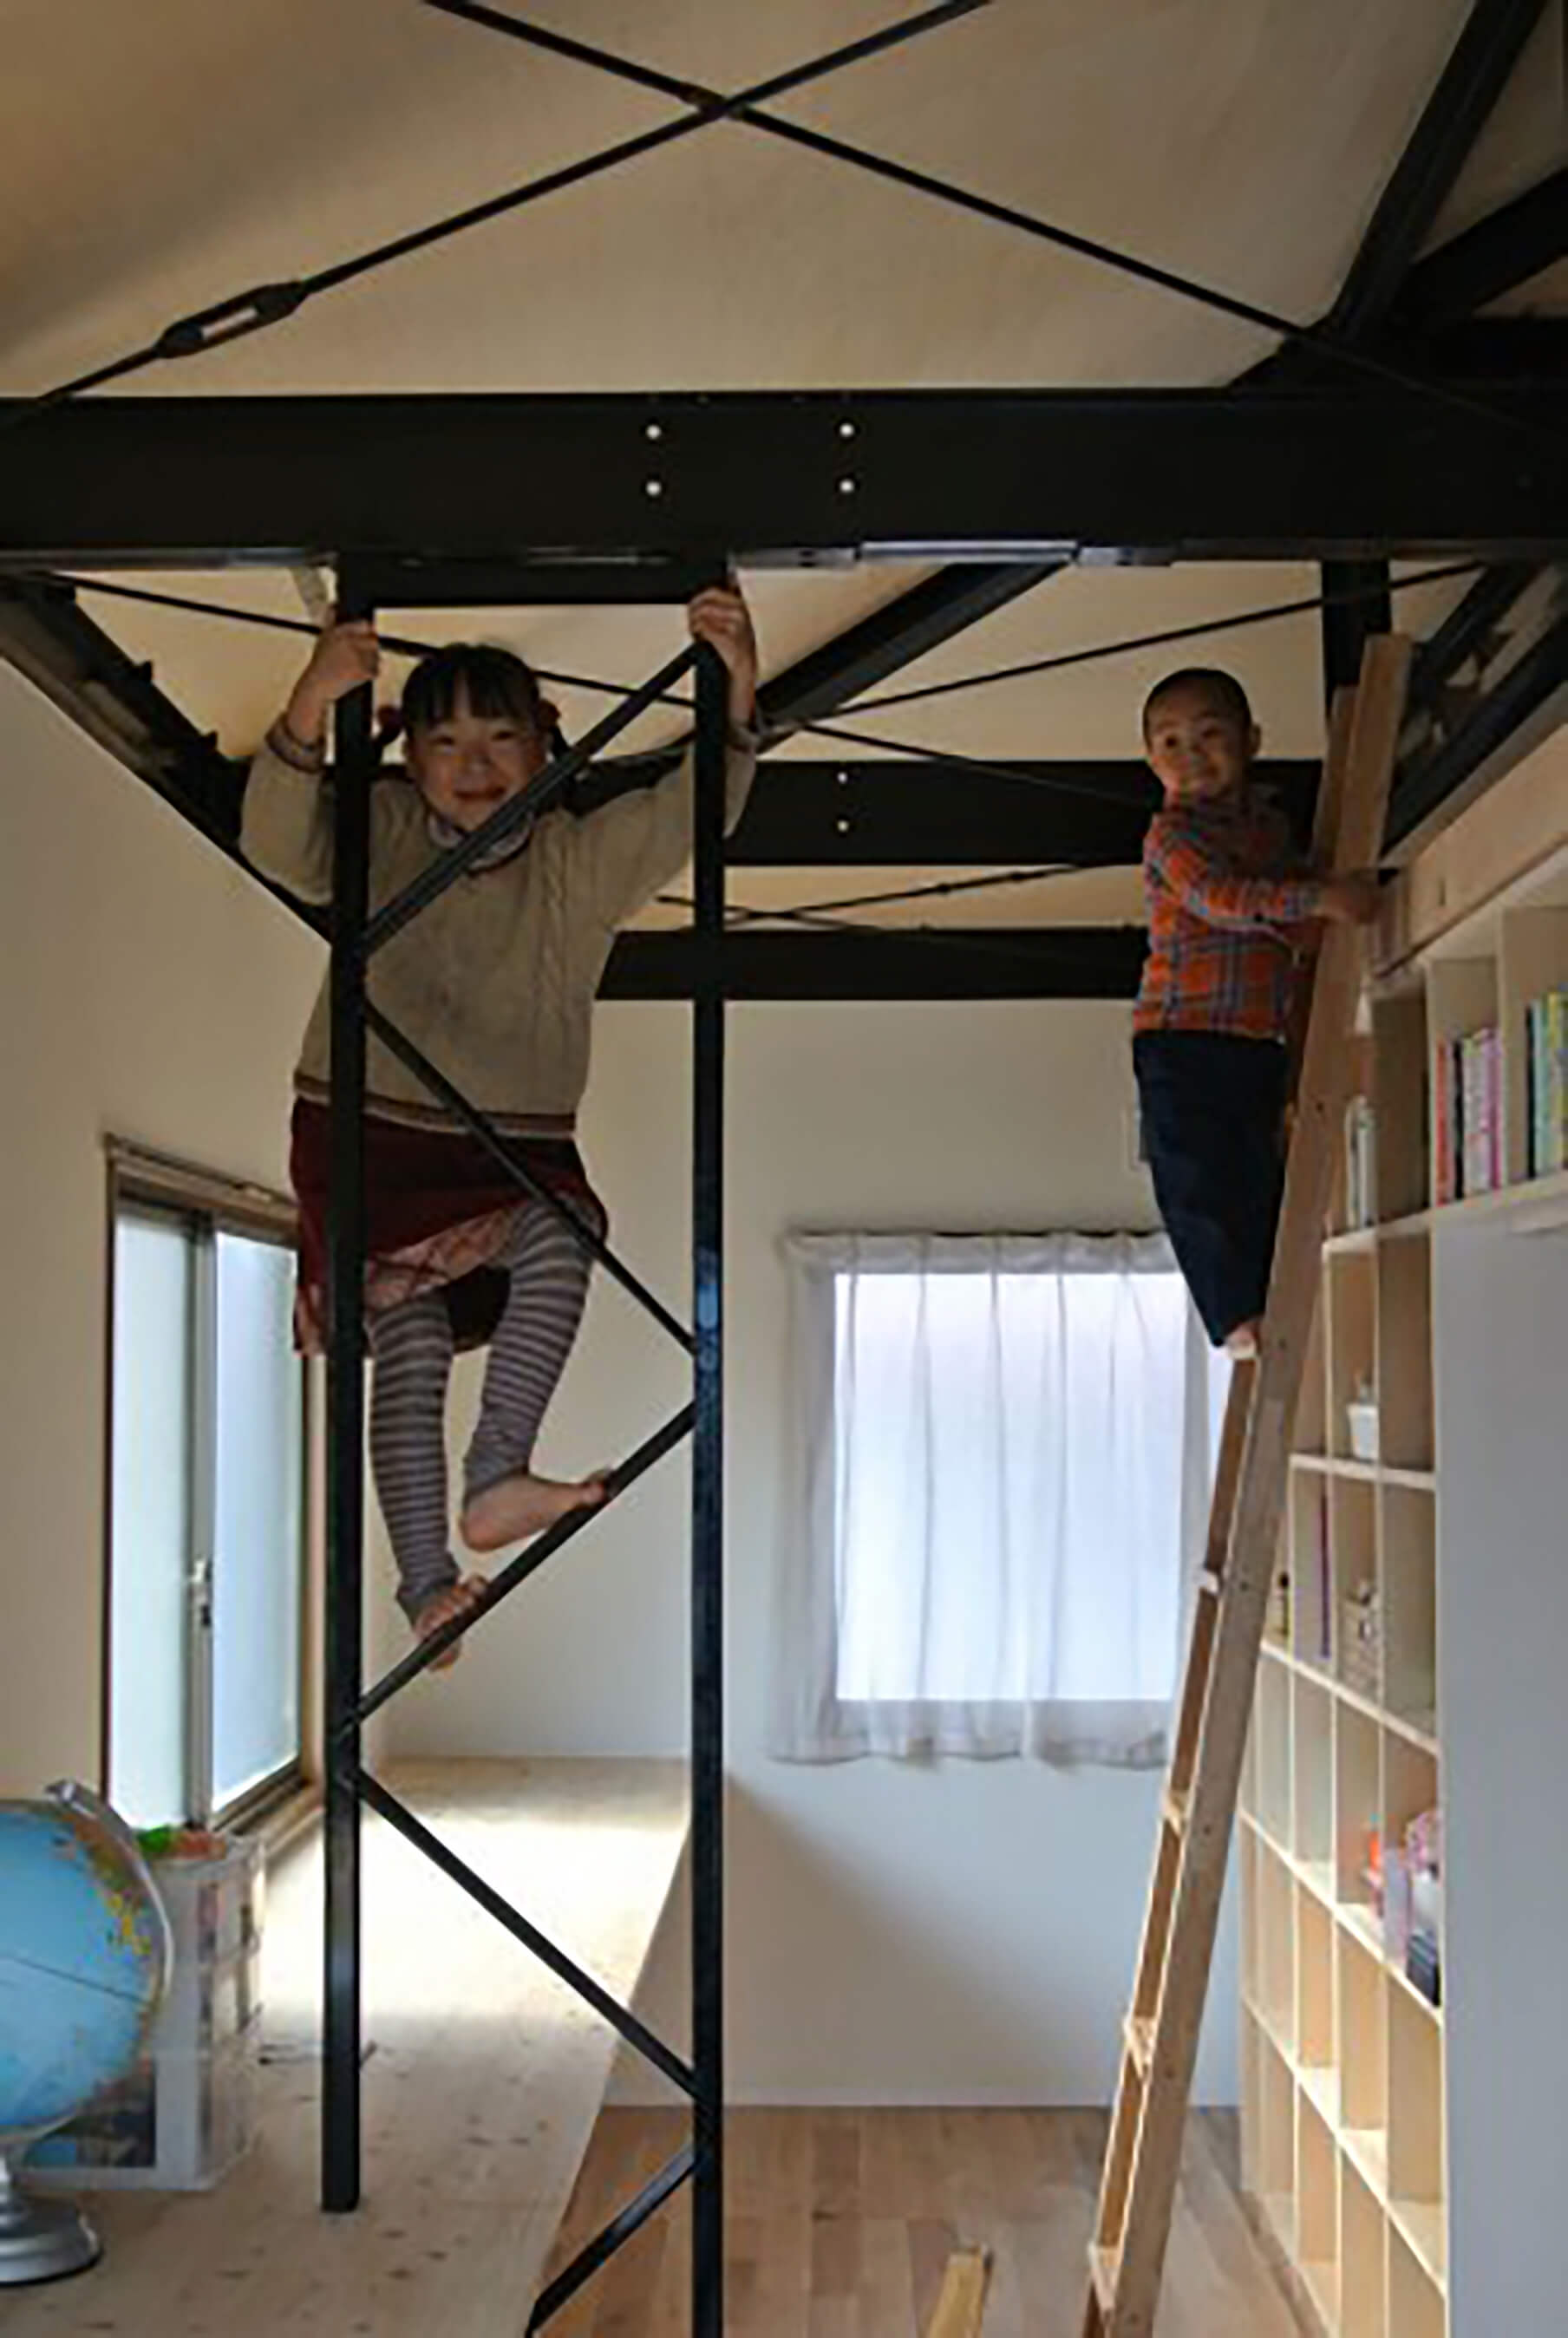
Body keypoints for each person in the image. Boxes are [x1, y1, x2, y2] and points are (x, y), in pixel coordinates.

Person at [243, 586, 760, 1664]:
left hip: (505, 1139)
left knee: (562, 1231)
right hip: (365, 1122)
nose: (472, 763)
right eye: (443, 742)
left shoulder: (575, 855)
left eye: (498, 737)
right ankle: (429, 1583)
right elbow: (277, 847)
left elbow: (690, 809)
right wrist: (310, 703)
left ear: (545, 741)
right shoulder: (383, 825)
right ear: (409, 755)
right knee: (408, 1338)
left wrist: (736, 688)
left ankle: (490, 1480)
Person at [1131, 667, 1378, 1360]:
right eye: (1171, 743)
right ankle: (1233, 1314)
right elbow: (1223, 899)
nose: (1193, 756)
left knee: (1254, 1169)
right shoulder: (1171, 835)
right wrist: (1320, 899)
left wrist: (1319, 909)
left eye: (1211, 735)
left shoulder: (1269, 830)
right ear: (1151, 760)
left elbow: (1285, 913)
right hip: (1181, 1034)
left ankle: (1269, 1292)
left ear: (1252, 741)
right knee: (1194, 1173)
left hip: (1255, 1037)